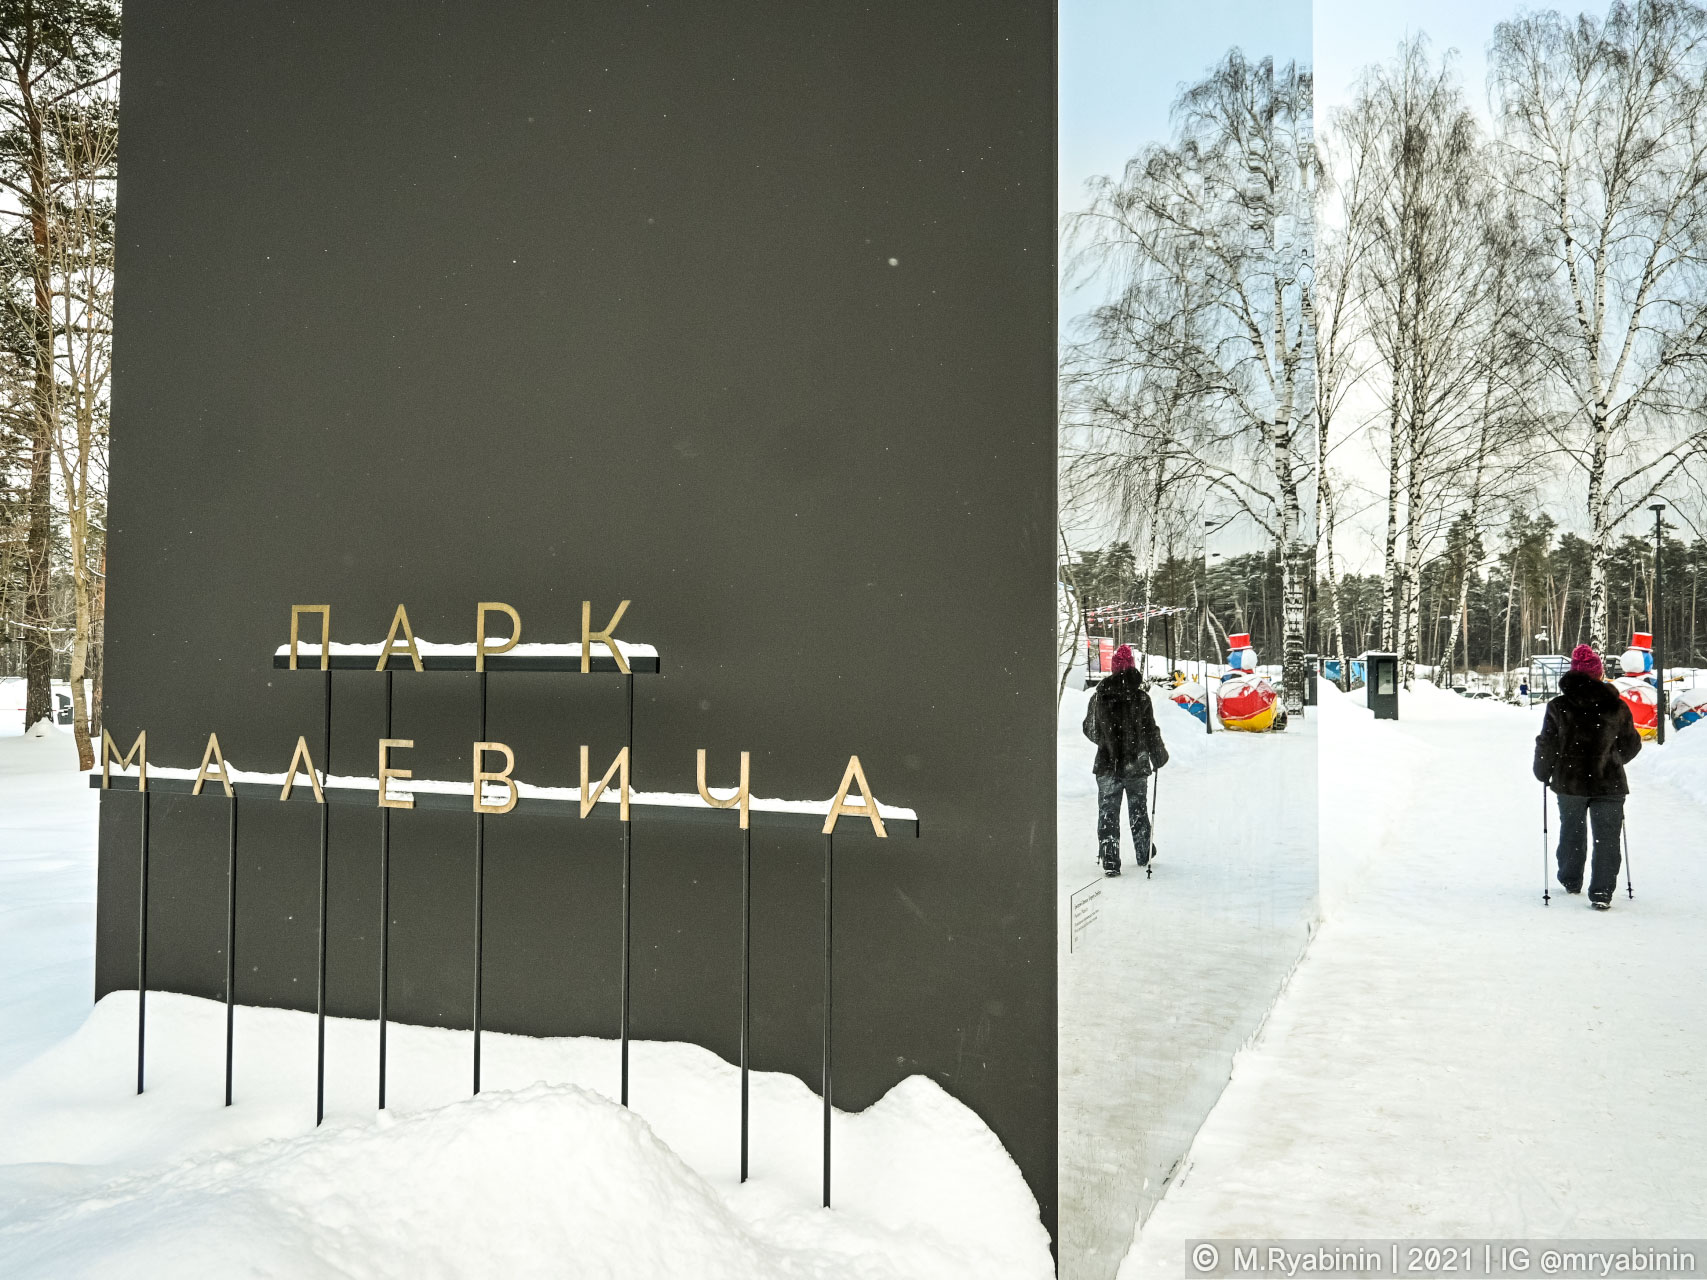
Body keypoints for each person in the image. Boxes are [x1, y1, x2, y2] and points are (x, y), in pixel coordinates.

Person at [1533, 643, 1642, 910]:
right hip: (1610, 782)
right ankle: (1602, 892)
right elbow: (1632, 744)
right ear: (1599, 674)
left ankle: (1571, 879)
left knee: (1572, 830)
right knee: (1607, 836)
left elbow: (1547, 743)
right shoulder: (1616, 706)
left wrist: (1543, 772)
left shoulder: (1558, 706)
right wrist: (1612, 759)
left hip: (1570, 782)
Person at [1083, 644, 1169, 876]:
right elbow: (1151, 730)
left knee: (1108, 812)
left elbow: (1089, 729)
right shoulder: (1142, 698)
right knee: (1139, 810)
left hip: (1106, 765)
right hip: (1136, 764)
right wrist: (1158, 755)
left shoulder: (1100, 696)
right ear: (1131, 667)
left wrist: (1106, 742)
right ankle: (1143, 854)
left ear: (1113, 668)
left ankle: (1110, 861)